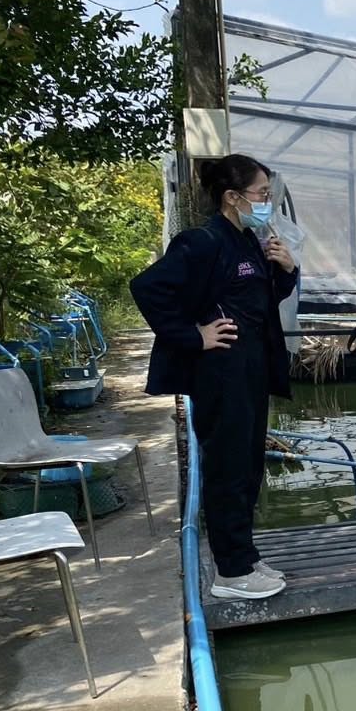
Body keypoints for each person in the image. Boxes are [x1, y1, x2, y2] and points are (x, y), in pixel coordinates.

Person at [131, 154, 297, 600]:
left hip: (251, 369)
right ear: (232, 197)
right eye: (262, 195)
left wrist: (285, 269)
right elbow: (148, 288)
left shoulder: (249, 240)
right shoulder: (202, 241)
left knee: (247, 465)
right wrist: (192, 335)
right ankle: (231, 573)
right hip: (221, 372)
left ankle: (242, 552)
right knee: (226, 466)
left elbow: (259, 298)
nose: (267, 203)